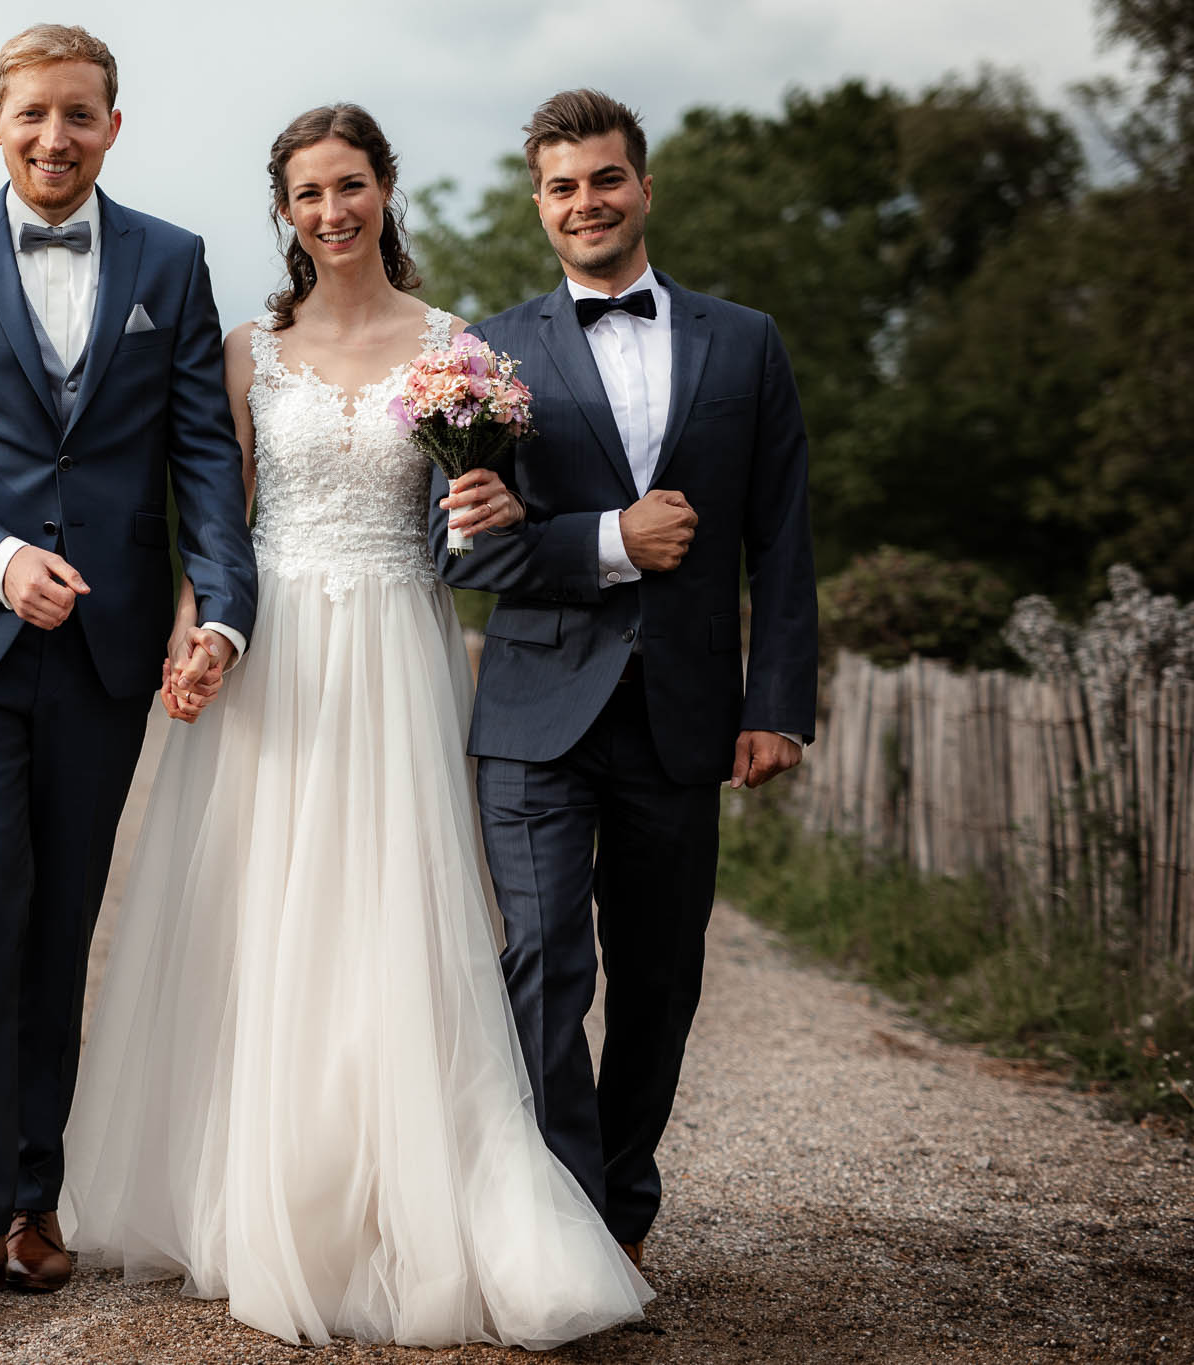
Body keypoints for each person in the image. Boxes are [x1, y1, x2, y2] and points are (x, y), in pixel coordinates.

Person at [58, 104, 652, 1350]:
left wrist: (483, 502)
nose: (329, 212)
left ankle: (402, 1195)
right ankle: (253, 1190)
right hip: (271, 649)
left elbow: (475, 531)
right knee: (257, 911)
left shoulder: (458, 351)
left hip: (393, 643)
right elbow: (217, 525)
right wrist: (195, 628)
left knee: (392, 911)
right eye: (305, 194)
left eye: (349, 186)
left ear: (385, 190)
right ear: (282, 213)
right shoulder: (242, 353)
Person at [0, 24, 258, 1317]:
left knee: (64, 916)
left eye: (79, 114)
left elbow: (204, 457)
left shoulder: (172, 264)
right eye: (32, 114)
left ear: (113, 127)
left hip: (108, 650)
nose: (54, 136)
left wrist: (224, 612)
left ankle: (39, 1198)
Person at [431, 89, 818, 1269]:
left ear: (643, 187)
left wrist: (776, 709)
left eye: (603, 179)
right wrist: (611, 540)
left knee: (659, 976)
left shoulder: (744, 340)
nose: (584, 203)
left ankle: (620, 1206)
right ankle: (551, 1221)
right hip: (535, 709)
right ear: (538, 205)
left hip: (684, 715)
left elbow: (783, 537)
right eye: (560, 186)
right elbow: (473, 548)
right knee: (544, 961)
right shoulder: (485, 353)